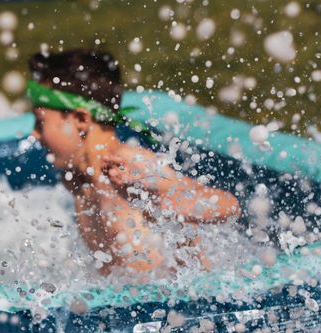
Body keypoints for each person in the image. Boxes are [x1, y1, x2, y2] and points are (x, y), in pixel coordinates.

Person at [27, 48, 240, 276]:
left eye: (40, 123)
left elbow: (229, 206)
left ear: (81, 119)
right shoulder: (78, 178)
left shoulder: (128, 164)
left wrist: (155, 194)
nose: (34, 135)